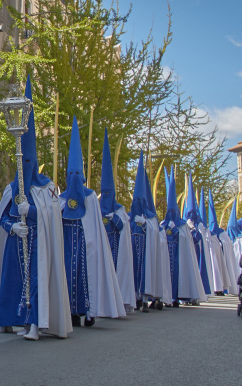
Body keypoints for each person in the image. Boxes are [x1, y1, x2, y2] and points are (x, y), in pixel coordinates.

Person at [0, 77, 71, 341]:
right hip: (16, 242)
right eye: (21, 161)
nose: (25, 165)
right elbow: (2, 218)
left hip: (38, 245)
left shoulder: (47, 188)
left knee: (36, 283)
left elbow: (53, 216)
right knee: (14, 282)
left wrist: (33, 212)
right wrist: (12, 226)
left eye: (29, 161)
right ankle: (17, 320)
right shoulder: (11, 189)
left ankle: (36, 324)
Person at [58, 117, 124, 327]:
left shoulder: (90, 197)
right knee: (67, 276)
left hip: (87, 246)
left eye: (78, 174)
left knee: (86, 277)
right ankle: (70, 312)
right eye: (72, 174)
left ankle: (89, 310)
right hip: (67, 243)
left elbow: (95, 226)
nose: (75, 177)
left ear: (83, 176)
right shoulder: (61, 199)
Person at [128, 152, 171, 312]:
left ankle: (146, 298)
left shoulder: (151, 218)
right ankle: (136, 298)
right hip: (133, 251)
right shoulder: (130, 216)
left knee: (145, 274)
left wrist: (145, 224)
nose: (137, 204)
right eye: (135, 201)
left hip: (146, 254)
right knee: (133, 273)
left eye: (140, 201)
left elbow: (155, 233)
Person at [99, 130, 136, 313]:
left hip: (115, 249)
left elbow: (122, 227)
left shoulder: (120, 209)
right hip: (102, 249)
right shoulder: (95, 206)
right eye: (103, 193)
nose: (105, 197)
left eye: (108, 193)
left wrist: (112, 217)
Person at [162, 167, 205, 306]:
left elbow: (187, 240)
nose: (171, 213)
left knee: (178, 276)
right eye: (170, 210)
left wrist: (176, 231)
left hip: (178, 258)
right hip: (166, 255)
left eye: (174, 210)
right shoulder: (164, 223)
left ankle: (179, 297)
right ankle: (167, 297)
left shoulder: (183, 225)